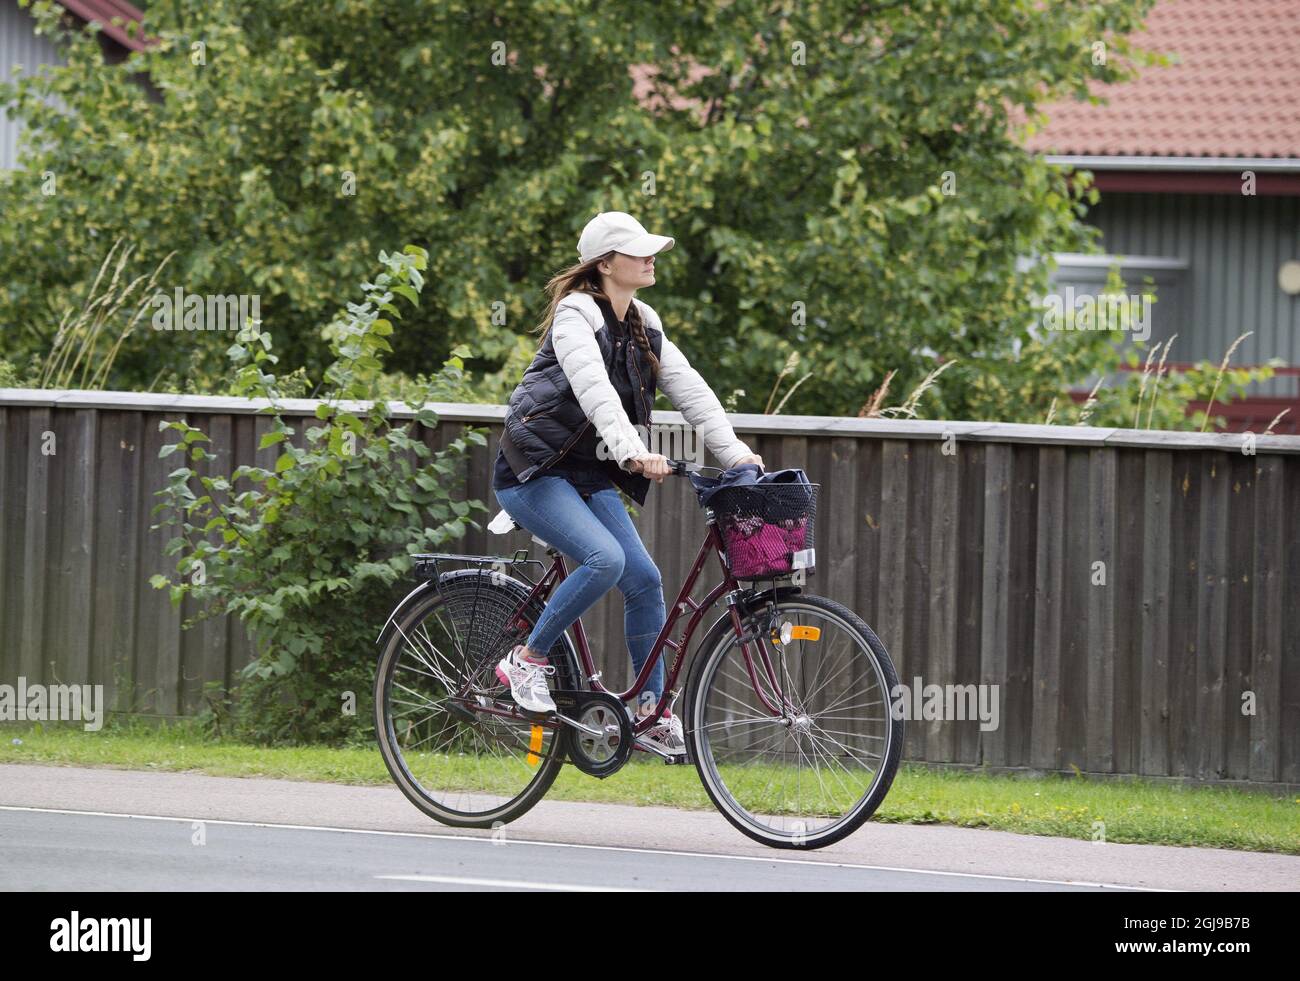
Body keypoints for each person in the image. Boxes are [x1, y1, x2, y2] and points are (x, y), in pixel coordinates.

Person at [491, 211, 763, 754]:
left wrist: (734, 454)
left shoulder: (644, 321)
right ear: (607, 264)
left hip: (588, 477)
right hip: (534, 470)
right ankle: (526, 660)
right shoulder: (575, 315)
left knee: (644, 578)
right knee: (605, 560)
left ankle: (650, 712)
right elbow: (595, 390)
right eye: (638, 251)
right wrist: (633, 451)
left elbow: (692, 391)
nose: (650, 257)